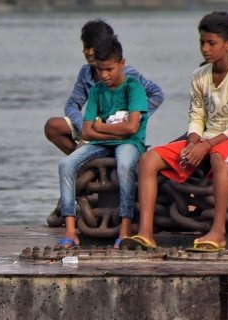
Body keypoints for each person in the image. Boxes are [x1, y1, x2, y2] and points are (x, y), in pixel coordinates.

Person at [126, 11, 228, 252]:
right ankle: (145, 233)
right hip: (206, 139)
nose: (205, 49)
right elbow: (197, 117)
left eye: (212, 43)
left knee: (218, 157)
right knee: (149, 160)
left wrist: (206, 146)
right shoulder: (199, 76)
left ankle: (218, 232)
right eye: (202, 42)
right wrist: (193, 140)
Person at [44, 19, 164, 225]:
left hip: (119, 128)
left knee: (123, 162)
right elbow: (73, 104)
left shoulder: (128, 76)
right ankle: (89, 168)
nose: (90, 52)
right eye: (86, 47)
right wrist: (85, 126)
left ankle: (121, 215)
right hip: (93, 125)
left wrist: (135, 118)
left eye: (94, 47)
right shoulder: (86, 73)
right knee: (53, 126)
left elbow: (156, 94)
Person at [56, 35, 149, 248]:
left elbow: (132, 128)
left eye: (109, 69)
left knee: (125, 166)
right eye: (100, 70)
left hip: (130, 143)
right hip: (103, 143)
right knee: (66, 165)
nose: (104, 75)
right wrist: (115, 133)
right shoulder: (97, 91)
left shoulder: (134, 87)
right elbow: (87, 132)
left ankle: (125, 227)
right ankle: (70, 229)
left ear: (122, 63)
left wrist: (101, 127)